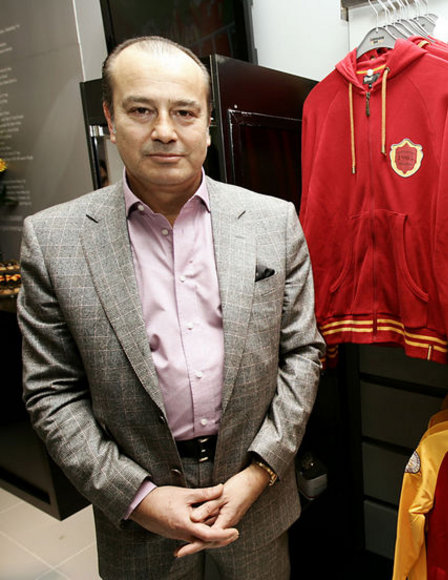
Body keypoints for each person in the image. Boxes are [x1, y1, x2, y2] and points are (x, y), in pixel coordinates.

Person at [17, 36, 325, 579]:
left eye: (184, 112)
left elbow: (302, 353)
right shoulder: (54, 240)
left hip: (256, 499)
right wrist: (137, 497)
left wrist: (261, 470)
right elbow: (51, 392)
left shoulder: (273, 221)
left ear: (207, 122)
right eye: (141, 110)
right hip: (138, 518)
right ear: (111, 120)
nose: (164, 130)